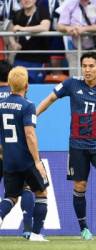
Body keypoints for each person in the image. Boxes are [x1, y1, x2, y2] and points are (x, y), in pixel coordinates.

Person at [36, 51, 96, 240]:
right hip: (77, 145)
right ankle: (84, 228)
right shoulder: (71, 84)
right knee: (80, 186)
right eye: (84, 66)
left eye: (91, 66)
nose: (87, 70)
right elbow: (50, 99)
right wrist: (34, 114)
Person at [0, 66, 49, 241]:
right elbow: (30, 134)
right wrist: (37, 161)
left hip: (9, 159)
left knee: (11, 196)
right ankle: (35, 233)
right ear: (27, 86)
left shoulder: (1, 105)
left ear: (9, 85)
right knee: (41, 193)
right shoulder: (28, 105)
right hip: (26, 159)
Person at [56, 0, 96, 77]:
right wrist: (68, 28)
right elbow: (59, 26)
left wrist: (84, 29)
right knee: (76, 81)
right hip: (75, 50)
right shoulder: (70, 3)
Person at [9, 0, 51, 83]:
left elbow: (45, 27)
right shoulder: (17, 14)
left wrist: (22, 28)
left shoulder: (42, 12)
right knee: (17, 85)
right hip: (20, 59)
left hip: (39, 60)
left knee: (36, 87)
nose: (27, 0)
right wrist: (13, 43)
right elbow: (11, 31)